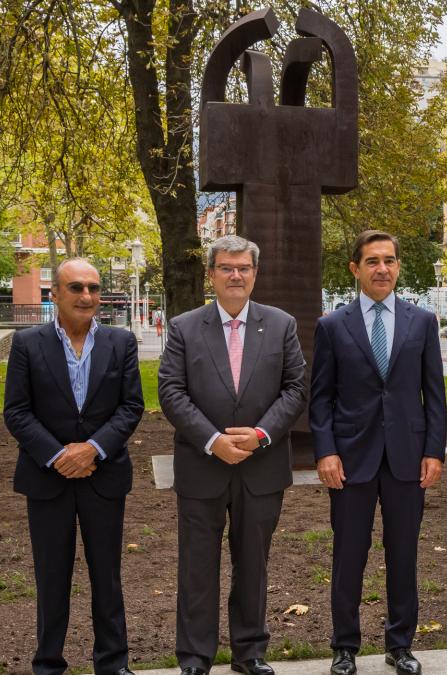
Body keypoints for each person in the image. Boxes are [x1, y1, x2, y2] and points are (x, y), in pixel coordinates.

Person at [157, 235, 308, 675]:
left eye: (244, 268)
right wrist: (213, 440)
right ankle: (195, 657)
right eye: (226, 268)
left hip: (261, 465)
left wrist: (261, 434)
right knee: (197, 567)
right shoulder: (185, 327)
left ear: (255, 274)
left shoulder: (281, 324)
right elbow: (171, 391)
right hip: (203, 466)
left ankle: (250, 652)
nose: (236, 275)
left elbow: (296, 388)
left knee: (253, 566)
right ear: (211, 274)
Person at [309, 230, 447, 675]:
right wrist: (326, 452)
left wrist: (434, 451)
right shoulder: (333, 325)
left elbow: (433, 393)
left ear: (398, 266)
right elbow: (321, 397)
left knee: (403, 554)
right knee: (349, 553)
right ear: (356, 268)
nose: (382, 268)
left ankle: (400, 643)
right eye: (372, 261)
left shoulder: (422, 322)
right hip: (351, 458)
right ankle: (344, 647)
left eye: (389, 260)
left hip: (408, 455)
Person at [3, 258, 143, 675]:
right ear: (56, 295)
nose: (87, 296)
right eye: (77, 288)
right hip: (48, 478)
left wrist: (93, 449)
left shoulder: (122, 342)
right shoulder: (28, 343)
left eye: (94, 288)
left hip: (104, 476)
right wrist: (60, 455)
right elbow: (17, 411)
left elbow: (131, 406)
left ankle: (113, 663)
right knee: (51, 576)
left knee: (108, 576)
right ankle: (48, 664)